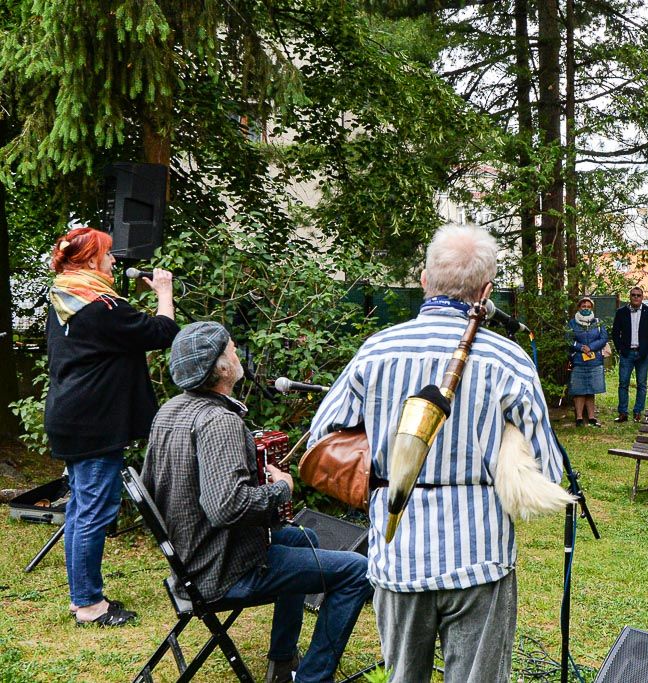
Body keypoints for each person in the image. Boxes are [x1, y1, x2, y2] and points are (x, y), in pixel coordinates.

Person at [310, 225, 562, 683]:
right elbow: (550, 467)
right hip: (480, 555)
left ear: (425, 280)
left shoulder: (377, 351)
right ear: (486, 292)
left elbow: (321, 443)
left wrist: (383, 463)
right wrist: (505, 444)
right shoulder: (509, 360)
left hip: (398, 551)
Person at [142, 321, 371, 682]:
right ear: (219, 367)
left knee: (303, 539)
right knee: (357, 571)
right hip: (220, 569)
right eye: (231, 348)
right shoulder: (219, 421)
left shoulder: (170, 411)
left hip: (192, 559)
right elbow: (226, 507)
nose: (236, 353)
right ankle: (313, 678)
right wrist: (281, 488)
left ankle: (282, 659)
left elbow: (166, 486)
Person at [44, 227, 179, 627]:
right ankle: (88, 605)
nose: (114, 260)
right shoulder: (101, 307)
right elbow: (161, 332)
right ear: (89, 260)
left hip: (71, 416)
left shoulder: (63, 298)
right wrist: (164, 292)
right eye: (107, 254)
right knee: (94, 510)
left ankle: (81, 597)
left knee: (81, 508)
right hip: (95, 422)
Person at [611, 286, 648, 422]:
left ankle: (638, 412)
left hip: (642, 354)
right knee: (623, 383)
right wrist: (620, 349)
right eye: (633, 295)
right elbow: (615, 333)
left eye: (638, 295)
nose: (636, 297)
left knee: (642, 384)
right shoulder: (621, 312)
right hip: (627, 353)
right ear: (630, 297)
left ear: (642, 297)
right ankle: (622, 413)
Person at [567, 296, 609, 427]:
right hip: (578, 361)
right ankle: (579, 418)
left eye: (588, 307)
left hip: (595, 361)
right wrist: (580, 347)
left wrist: (591, 347)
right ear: (579, 307)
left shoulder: (598, 322)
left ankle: (591, 417)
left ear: (592, 308)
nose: (586, 309)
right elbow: (568, 338)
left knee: (591, 390)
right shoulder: (572, 323)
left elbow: (603, 338)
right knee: (579, 390)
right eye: (583, 306)